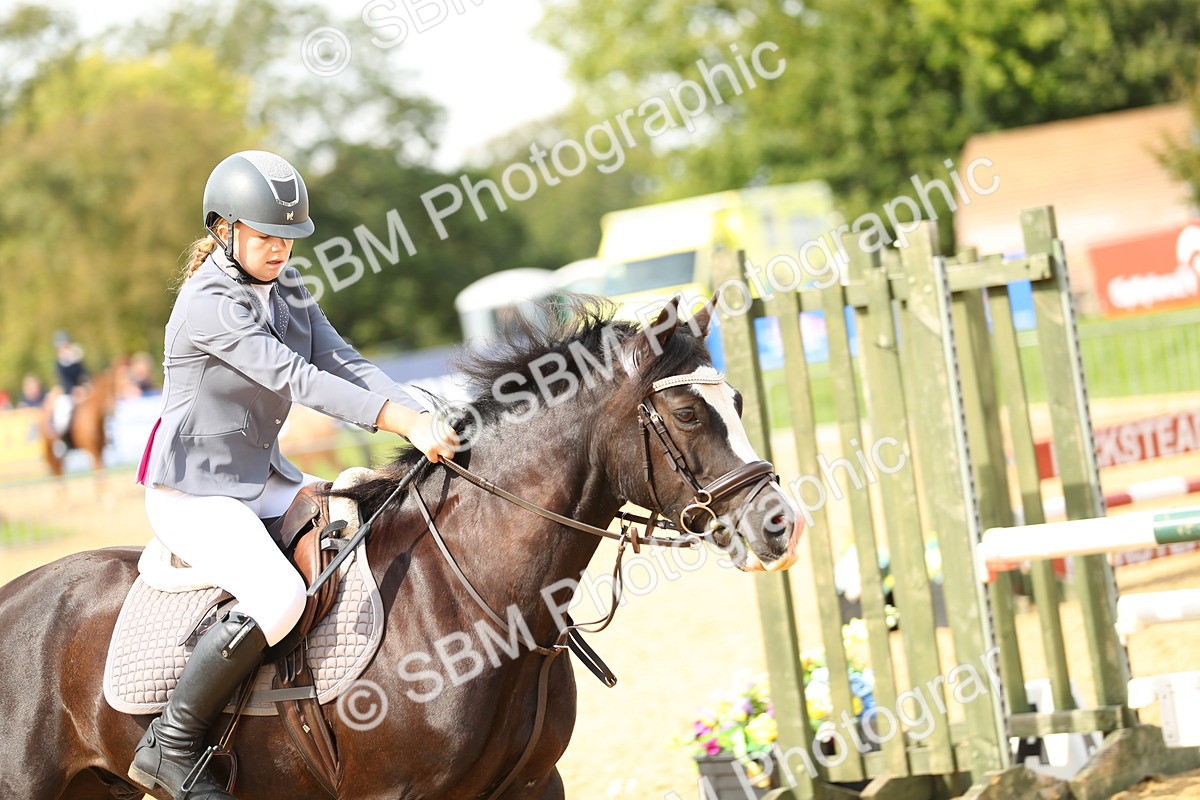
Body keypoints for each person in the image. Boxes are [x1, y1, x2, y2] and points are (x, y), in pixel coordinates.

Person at [129, 150, 458, 799]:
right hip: (194, 491)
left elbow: (340, 360)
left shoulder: (287, 286)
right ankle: (172, 741)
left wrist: (423, 408)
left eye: (289, 236)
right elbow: (296, 378)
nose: (281, 248)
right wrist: (399, 421)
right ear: (224, 231)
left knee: (363, 511)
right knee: (278, 597)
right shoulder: (208, 304)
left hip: (262, 473)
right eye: (266, 236)